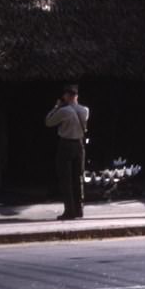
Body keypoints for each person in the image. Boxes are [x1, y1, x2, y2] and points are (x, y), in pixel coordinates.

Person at [45, 85, 89, 220]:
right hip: (79, 145)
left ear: (67, 96)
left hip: (66, 144)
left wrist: (56, 107)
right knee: (78, 178)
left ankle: (69, 210)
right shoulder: (85, 110)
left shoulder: (64, 111)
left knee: (66, 179)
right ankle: (78, 209)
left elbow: (48, 122)